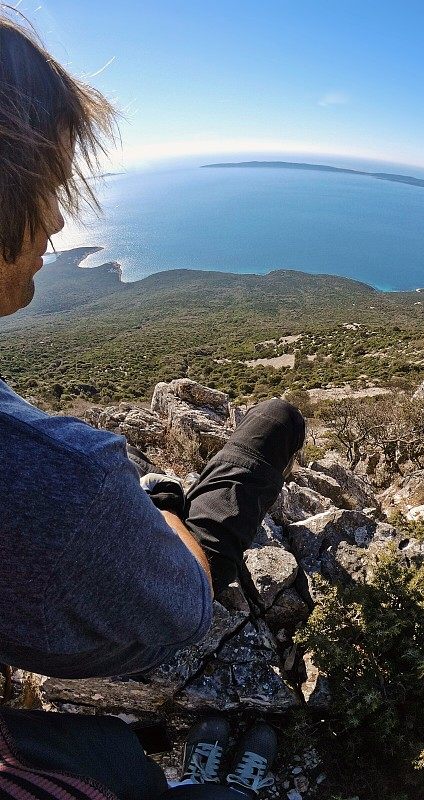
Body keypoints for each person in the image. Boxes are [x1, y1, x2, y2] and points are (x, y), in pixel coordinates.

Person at [0, 13, 303, 798]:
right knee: (262, 440)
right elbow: (175, 612)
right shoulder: (56, 480)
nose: (60, 219)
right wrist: (154, 508)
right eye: (48, 188)